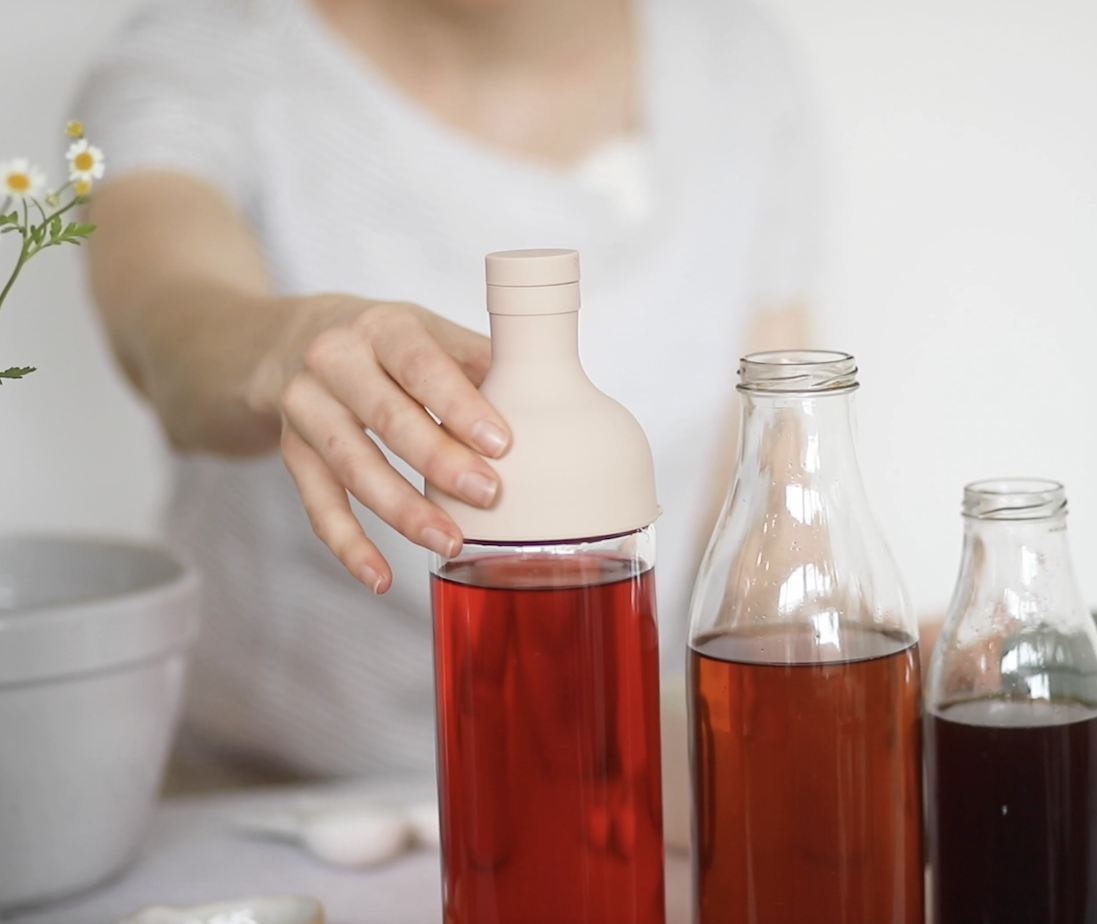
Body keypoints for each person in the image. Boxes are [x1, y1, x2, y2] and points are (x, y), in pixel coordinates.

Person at [79, 0, 817, 782]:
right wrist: (280, 347)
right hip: (271, 795)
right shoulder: (214, 53)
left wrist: (826, 673)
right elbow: (164, 318)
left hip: (606, 780)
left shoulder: (736, 61)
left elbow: (767, 492)